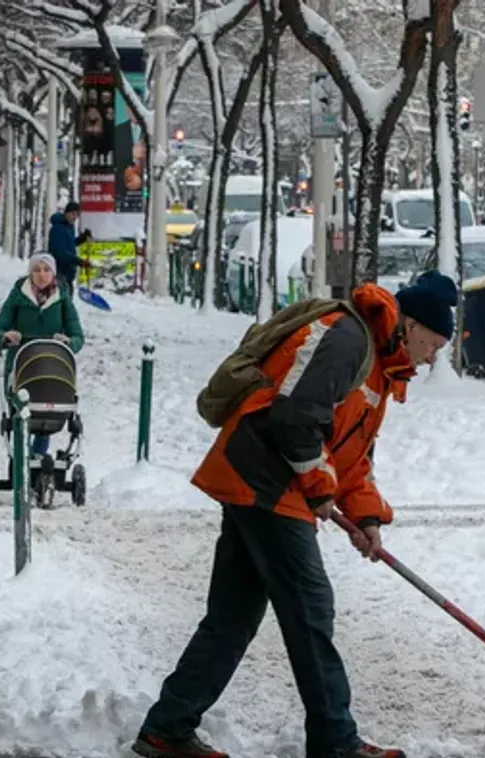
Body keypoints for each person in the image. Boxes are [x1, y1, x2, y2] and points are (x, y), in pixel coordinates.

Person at [132, 271, 458, 758]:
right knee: (310, 607)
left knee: (233, 615)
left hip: (263, 480)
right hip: (265, 477)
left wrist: (366, 516)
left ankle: (167, 727)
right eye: (433, 343)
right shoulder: (349, 340)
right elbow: (293, 418)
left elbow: (350, 457)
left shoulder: (379, 370)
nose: (432, 357)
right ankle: (334, 741)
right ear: (410, 325)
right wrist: (317, 485)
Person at [0, 253, 85, 463]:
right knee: (21, 414)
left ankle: (38, 455)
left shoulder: (62, 299)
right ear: (30, 273)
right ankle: (23, 457)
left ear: (53, 273)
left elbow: (78, 335)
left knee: (46, 415)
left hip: (52, 366)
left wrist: (69, 342)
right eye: (37, 270)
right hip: (21, 366)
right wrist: (5, 337)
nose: (42, 275)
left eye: (46, 270)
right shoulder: (17, 296)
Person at [48, 201, 92, 288]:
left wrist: (83, 238)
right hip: (59, 274)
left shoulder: (68, 226)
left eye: (77, 215)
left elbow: (71, 243)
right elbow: (61, 253)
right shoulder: (58, 229)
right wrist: (80, 262)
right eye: (73, 214)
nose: (75, 217)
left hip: (67, 276)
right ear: (66, 213)